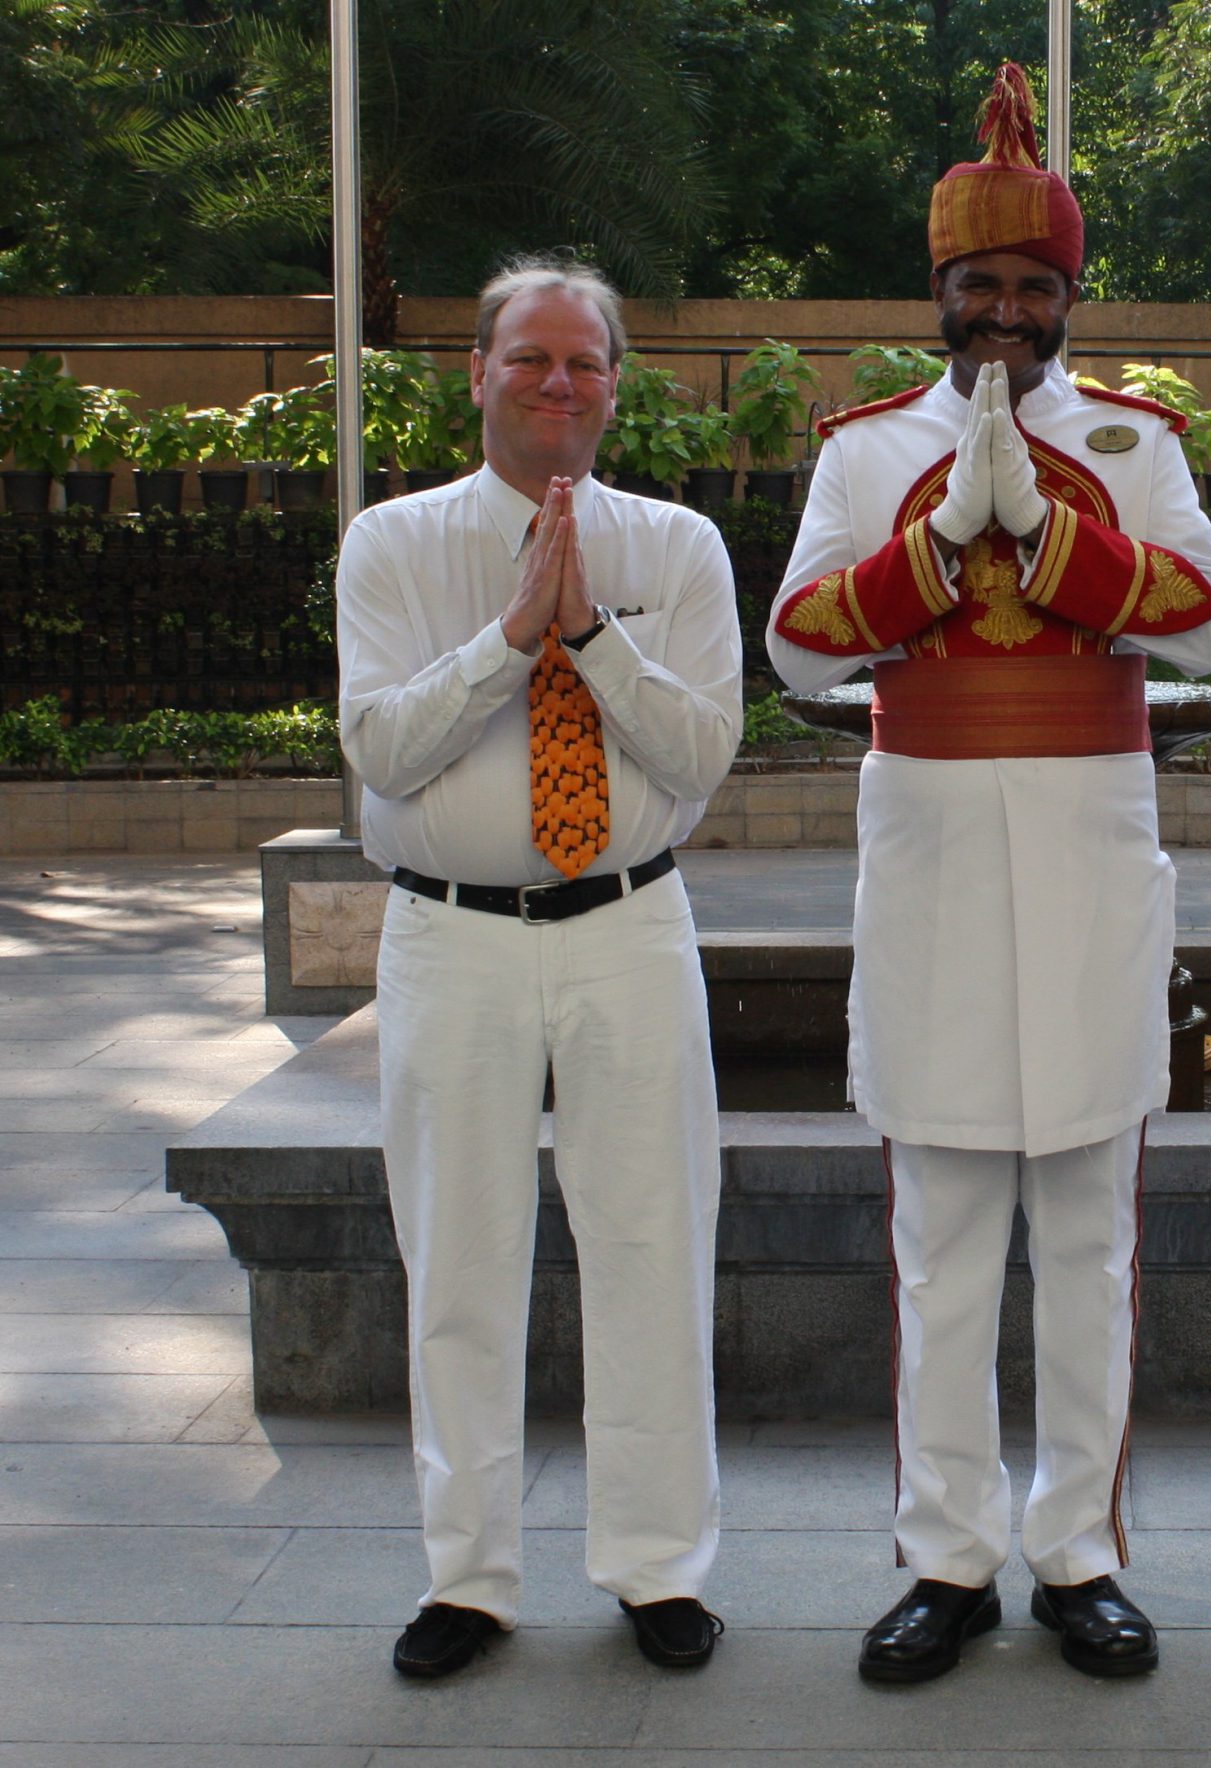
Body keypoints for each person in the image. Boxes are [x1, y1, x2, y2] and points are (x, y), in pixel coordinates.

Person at [763, 63, 1211, 1684]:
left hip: (1095, 868)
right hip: (936, 874)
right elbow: (798, 658)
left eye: (1036, 286)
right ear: (940, 290)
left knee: (1093, 1245)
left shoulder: (1135, 437)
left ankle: (1082, 1554)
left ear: (1069, 296)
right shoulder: (862, 449)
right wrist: (930, 543)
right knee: (943, 1245)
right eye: (981, 283)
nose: (1007, 312)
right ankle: (947, 1562)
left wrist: (1051, 535)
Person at [337, 255, 742, 1678]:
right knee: (456, 1258)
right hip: (452, 934)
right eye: (530, 359)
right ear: (479, 373)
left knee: (650, 1247)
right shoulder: (393, 544)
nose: (557, 384)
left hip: (629, 926)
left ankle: (657, 1568)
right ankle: (472, 1577)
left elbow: (701, 756)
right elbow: (382, 749)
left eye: (583, 362)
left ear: (615, 384)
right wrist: (512, 639)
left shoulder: (680, 549)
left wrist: (590, 639)